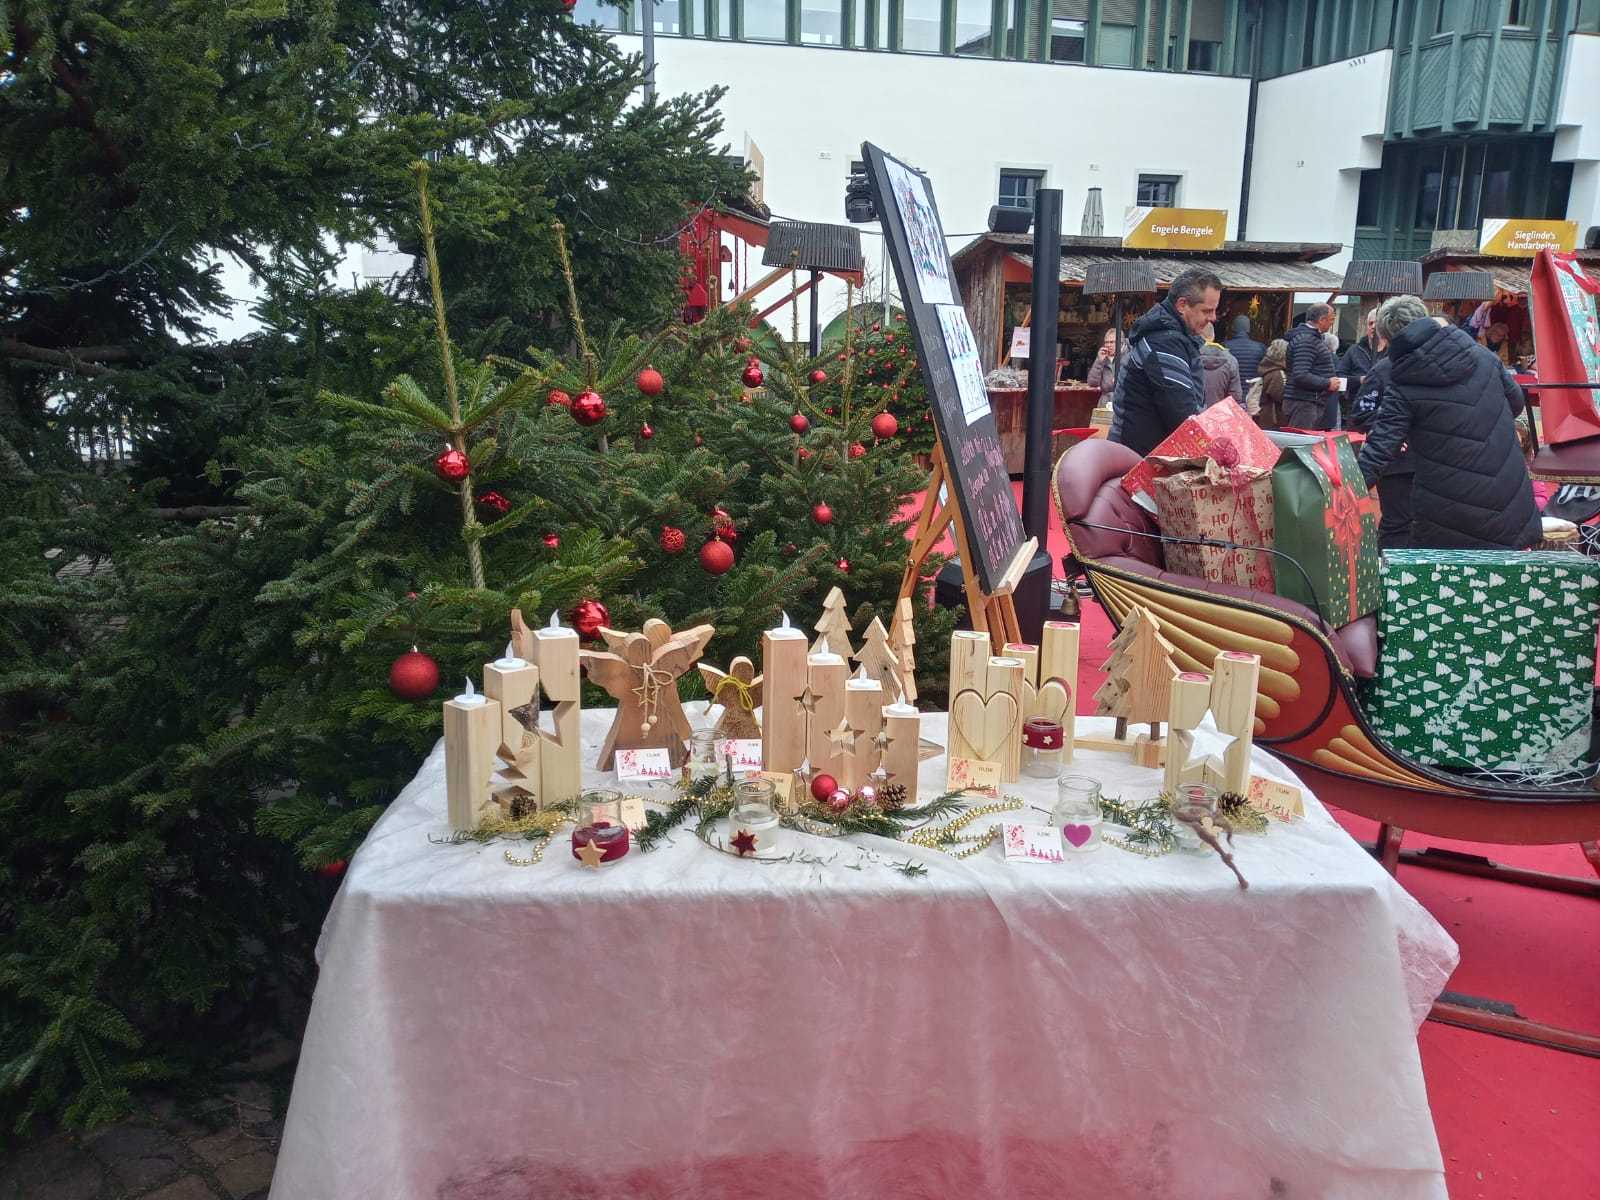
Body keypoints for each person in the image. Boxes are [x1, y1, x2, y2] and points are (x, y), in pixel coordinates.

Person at [1359, 296, 1541, 550]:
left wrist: (1342, 490)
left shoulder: (1403, 378)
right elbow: (1516, 403)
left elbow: (1380, 448)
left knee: (1443, 572)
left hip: (1449, 511)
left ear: (1388, 338)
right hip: (1508, 498)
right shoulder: (1481, 354)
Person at [1107, 268, 1221, 455]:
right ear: (1182, 305)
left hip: (1143, 452)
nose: (1213, 318)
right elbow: (1183, 415)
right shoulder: (1164, 343)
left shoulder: (1172, 338)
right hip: (1138, 459)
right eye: (1207, 311)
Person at [1346, 322, 1411, 549]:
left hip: (1428, 461)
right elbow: (1361, 413)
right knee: (1398, 522)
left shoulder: (1431, 368)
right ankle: (1388, 567)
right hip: (1395, 462)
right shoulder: (1384, 369)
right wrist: (1392, 432)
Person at [1282, 303, 1342, 429]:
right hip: (1303, 404)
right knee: (1300, 440)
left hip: (1307, 403)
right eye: (1331, 320)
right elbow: (1301, 375)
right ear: (1321, 320)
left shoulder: (1310, 339)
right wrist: (1327, 383)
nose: (1332, 324)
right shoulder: (1307, 340)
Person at [1337, 309, 1377, 408]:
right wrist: (1359, 380)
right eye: (1370, 323)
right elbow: (1339, 378)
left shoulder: (1391, 351)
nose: (1373, 326)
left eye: (1377, 323)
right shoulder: (1354, 350)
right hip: (1356, 406)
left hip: (1383, 407)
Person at [1199, 322, 1242, 409]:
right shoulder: (1231, 361)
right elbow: (1235, 397)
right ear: (1213, 336)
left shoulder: (1188, 357)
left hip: (1194, 414)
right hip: (1219, 414)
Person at [1247, 338, 1287, 429]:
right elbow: (1280, 396)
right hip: (1272, 419)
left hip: (1263, 417)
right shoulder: (1277, 373)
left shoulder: (1266, 369)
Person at [1224, 314, 1266, 384]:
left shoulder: (1225, 346)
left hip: (1232, 389)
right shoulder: (1260, 347)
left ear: (1233, 328)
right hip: (1252, 389)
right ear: (1248, 329)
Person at [1085, 328, 1125, 398]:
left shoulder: (1128, 356)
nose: (1108, 345)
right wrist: (1099, 361)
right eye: (1106, 342)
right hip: (1106, 400)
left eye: (1112, 342)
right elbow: (1092, 383)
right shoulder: (1103, 357)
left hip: (1123, 400)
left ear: (1121, 343)